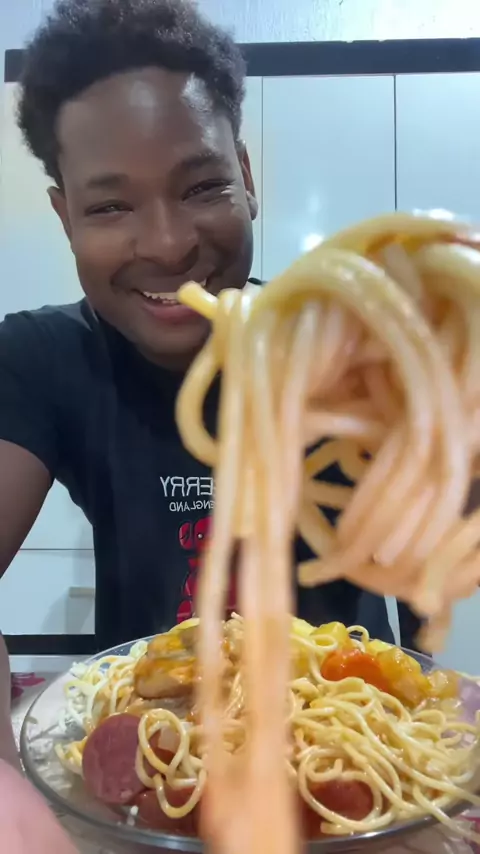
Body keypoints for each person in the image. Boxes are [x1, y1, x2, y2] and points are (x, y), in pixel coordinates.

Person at [0, 0, 411, 810]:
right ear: (64, 216)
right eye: (110, 206)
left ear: (247, 179)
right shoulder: (44, 360)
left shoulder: (357, 348)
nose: (167, 244)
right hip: (155, 786)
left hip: (364, 776)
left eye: (202, 186)